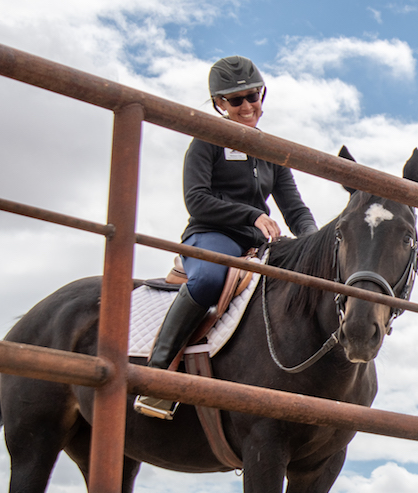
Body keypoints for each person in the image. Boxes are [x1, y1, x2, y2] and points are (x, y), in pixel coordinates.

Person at [135, 55, 319, 419]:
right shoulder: (206, 140)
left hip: (256, 243)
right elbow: (197, 199)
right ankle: (156, 375)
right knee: (208, 280)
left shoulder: (272, 153)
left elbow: (295, 209)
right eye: (236, 100)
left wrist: (313, 241)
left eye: (253, 96)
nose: (247, 106)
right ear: (220, 104)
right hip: (211, 234)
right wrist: (253, 214)